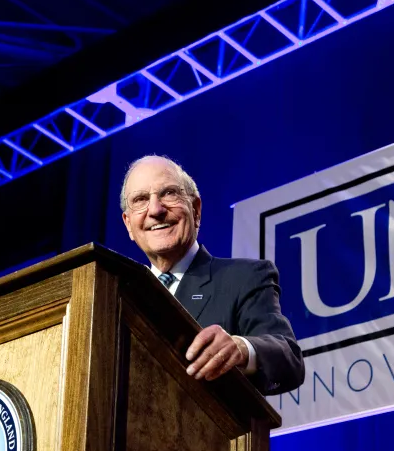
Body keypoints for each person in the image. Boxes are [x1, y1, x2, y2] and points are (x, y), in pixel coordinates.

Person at [120, 155, 304, 395]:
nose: (155, 210)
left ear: (196, 210)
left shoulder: (245, 277)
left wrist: (242, 349)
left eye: (168, 193)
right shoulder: (121, 296)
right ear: (128, 225)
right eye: (141, 199)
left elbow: (289, 358)